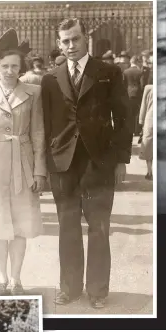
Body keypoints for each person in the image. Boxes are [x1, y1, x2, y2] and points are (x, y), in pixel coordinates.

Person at [41, 18, 132, 309]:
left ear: (85, 39)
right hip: (63, 165)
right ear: (59, 44)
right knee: (67, 227)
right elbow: (45, 124)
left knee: (99, 227)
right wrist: (45, 166)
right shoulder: (50, 78)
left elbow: (124, 118)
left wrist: (121, 160)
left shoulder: (109, 72)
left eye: (75, 39)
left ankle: (98, 291)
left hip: (99, 163)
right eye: (65, 41)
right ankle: (69, 288)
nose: (71, 45)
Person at [0, 29, 46, 296]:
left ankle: (16, 279)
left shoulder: (33, 92)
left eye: (15, 66)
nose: (10, 71)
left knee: (20, 225)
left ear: (21, 67)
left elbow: (38, 133)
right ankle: (1, 278)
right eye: (5, 66)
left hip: (23, 162)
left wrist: (39, 170)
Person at [123, 56, 143, 135]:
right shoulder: (140, 72)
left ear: (130, 62)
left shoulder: (126, 71)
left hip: (128, 93)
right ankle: (136, 130)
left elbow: (124, 84)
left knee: (129, 112)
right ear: (137, 62)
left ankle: (130, 129)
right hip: (137, 93)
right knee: (137, 112)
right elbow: (142, 84)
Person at [138, 84, 153, 180]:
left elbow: (144, 105)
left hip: (150, 119)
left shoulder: (148, 88)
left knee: (148, 146)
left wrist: (141, 121)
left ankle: (150, 171)